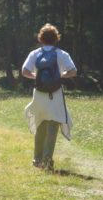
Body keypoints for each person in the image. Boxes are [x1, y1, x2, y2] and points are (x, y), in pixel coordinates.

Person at [22, 23, 77, 172]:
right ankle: (47, 161)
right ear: (56, 38)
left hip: (39, 94)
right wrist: (60, 76)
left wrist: (36, 76)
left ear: (41, 38)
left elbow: (24, 71)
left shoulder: (34, 54)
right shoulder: (62, 54)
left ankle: (36, 159)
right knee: (52, 128)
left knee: (40, 126)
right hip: (55, 94)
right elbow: (73, 71)